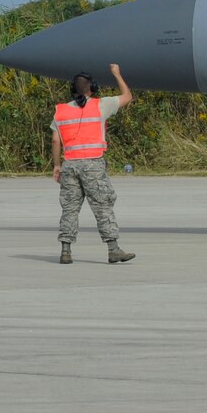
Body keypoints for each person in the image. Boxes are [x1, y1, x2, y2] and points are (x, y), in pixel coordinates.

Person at [51, 63, 136, 264]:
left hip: (70, 165)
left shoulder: (60, 111)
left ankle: (65, 251)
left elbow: (56, 140)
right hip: (93, 164)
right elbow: (127, 96)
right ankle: (113, 249)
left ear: (73, 89)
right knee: (102, 206)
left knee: (70, 208)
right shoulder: (101, 105)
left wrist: (57, 165)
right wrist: (116, 74)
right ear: (93, 87)